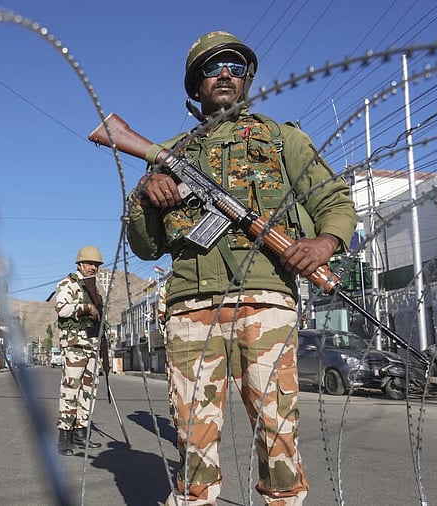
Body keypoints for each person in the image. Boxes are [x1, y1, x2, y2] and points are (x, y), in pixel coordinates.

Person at [127, 32, 356, 505]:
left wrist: (325, 241)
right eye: (212, 68)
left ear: (247, 78)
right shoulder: (168, 155)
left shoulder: (283, 140)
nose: (225, 73)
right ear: (196, 86)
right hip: (191, 307)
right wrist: (146, 196)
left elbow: (333, 199)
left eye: (234, 65)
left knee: (277, 433)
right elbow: (146, 248)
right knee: (192, 437)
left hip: (265, 300)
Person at [54, 245, 107, 456]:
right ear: (80, 264)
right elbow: (61, 308)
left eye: (96, 265)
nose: (93, 267)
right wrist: (85, 309)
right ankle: (64, 437)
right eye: (90, 264)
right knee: (70, 390)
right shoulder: (69, 284)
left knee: (89, 391)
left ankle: (81, 432)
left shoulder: (93, 288)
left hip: (92, 346)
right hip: (75, 346)